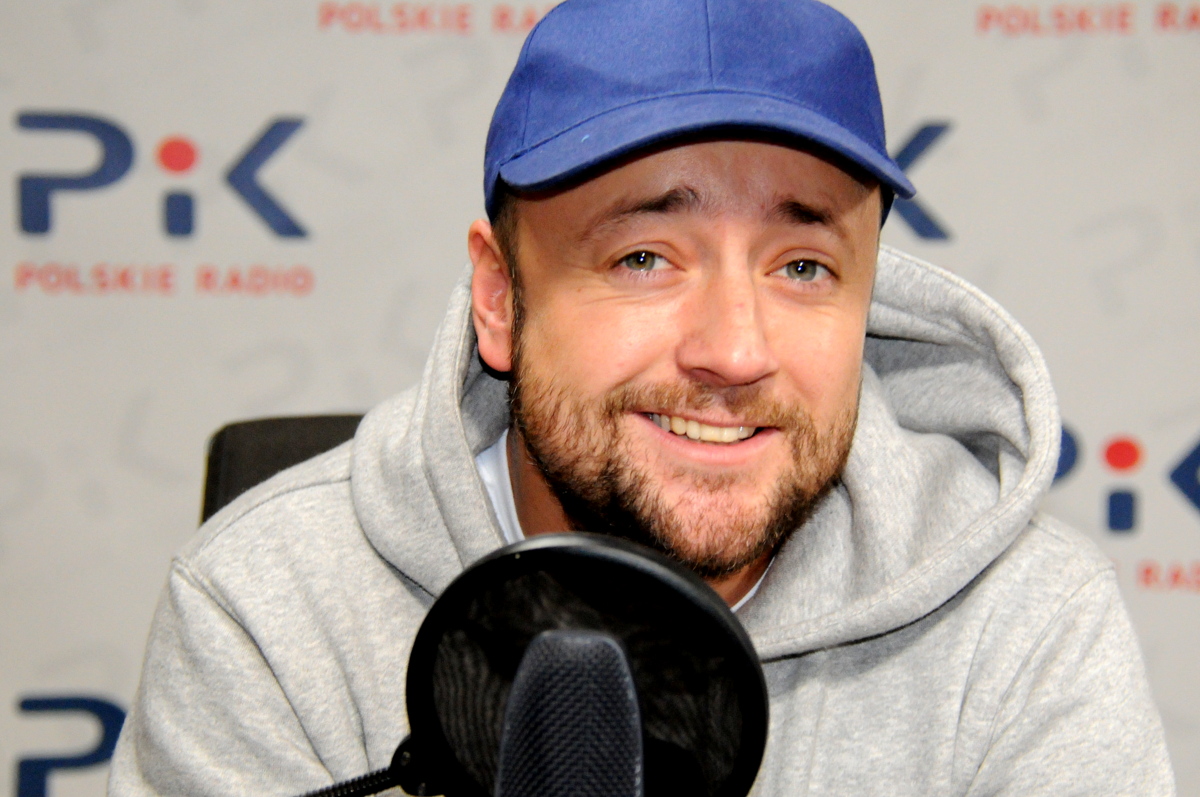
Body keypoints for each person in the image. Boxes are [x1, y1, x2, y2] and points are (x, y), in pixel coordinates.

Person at [109, 0, 1175, 794]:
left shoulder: (1022, 624)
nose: (735, 350)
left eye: (804, 266)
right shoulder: (272, 613)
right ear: (500, 298)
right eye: (643, 257)